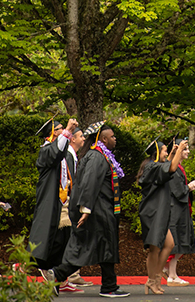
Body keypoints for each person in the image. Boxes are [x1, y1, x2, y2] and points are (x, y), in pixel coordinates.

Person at [44, 121, 130, 298]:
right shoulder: (96, 157)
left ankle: (109, 285)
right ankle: (58, 274)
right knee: (90, 247)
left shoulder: (100, 156)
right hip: (98, 211)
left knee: (103, 247)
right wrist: (85, 209)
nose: (115, 139)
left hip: (103, 210)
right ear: (104, 139)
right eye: (112, 136)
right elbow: (89, 184)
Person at [26, 117, 88, 293]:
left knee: (61, 239)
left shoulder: (59, 152)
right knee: (47, 239)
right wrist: (69, 130)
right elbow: (56, 151)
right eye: (60, 129)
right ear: (52, 133)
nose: (64, 131)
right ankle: (24, 265)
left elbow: (60, 152)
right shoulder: (46, 151)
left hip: (60, 202)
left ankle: (57, 277)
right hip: (50, 201)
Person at [138, 139, 185, 295]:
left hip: (160, 211)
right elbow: (170, 168)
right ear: (156, 153)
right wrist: (179, 151)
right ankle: (151, 281)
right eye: (165, 150)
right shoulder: (151, 166)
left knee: (169, 244)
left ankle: (156, 279)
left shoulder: (156, 166)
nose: (166, 153)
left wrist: (172, 153)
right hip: (152, 213)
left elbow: (166, 166)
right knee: (154, 248)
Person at [164, 137, 195, 286]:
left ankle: (170, 272)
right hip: (175, 210)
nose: (187, 151)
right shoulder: (172, 168)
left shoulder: (178, 167)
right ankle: (171, 275)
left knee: (180, 241)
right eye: (184, 149)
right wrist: (189, 187)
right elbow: (178, 192)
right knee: (177, 242)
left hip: (181, 208)